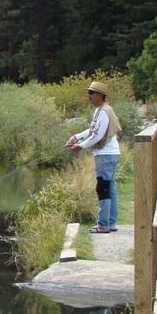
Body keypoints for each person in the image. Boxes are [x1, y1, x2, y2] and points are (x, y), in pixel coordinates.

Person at [66, 81, 121, 233]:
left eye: (92, 93)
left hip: (106, 155)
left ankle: (104, 225)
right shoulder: (101, 110)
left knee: (102, 187)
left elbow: (98, 135)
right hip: (109, 154)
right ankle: (110, 222)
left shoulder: (104, 111)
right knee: (109, 187)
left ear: (100, 95)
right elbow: (92, 130)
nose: (89, 96)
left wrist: (81, 146)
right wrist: (76, 137)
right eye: (89, 92)